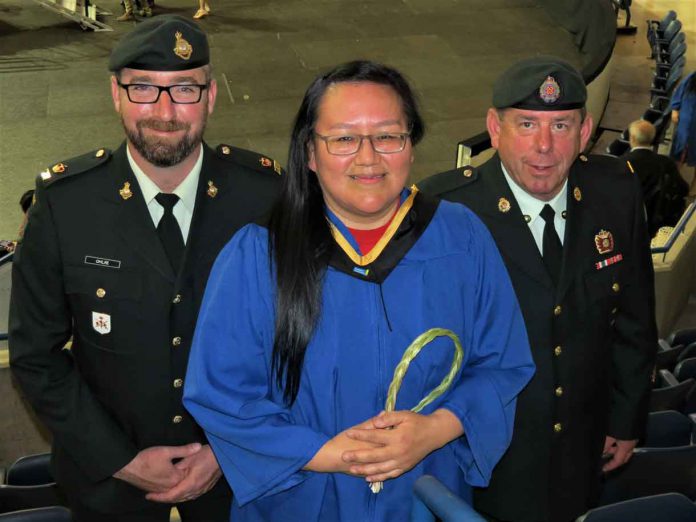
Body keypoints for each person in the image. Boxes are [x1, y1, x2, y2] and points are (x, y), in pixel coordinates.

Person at [183, 60, 535, 521]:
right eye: (344, 138)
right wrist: (333, 453)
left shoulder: (460, 238)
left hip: (423, 493)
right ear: (310, 153)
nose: (368, 157)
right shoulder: (258, 255)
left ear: (411, 146)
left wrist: (434, 430)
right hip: (302, 496)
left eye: (388, 136)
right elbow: (221, 394)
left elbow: (502, 363)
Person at [9, 15, 281, 522]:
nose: (164, 111)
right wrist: (122, 460)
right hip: (109, 489)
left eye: (183, 88)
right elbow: (34, 353)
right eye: (142, 89)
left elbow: (292, 339)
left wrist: (224, 450)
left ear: (211, 96)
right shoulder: (66, 203)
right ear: (115, 93)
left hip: (239, 484)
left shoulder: (263, 196)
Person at [420, 57, 657, 522]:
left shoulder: (616, 193)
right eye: (527, 124)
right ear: (495, 128)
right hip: (485, 455)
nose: (544, 146)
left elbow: (634, 316)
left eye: (561, 125)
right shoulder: (444, 211)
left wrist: (626, 420)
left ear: (586, 131)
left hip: (583, 447)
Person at [623, 119, 687, 236]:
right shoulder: (666, 162)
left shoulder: (622, 163)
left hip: (629, 225)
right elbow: (683, 188)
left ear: (631, 138)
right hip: (658, 226)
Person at [670, 72, 696, 196]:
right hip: (686, 125)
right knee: (678, 154)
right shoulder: (693, 77)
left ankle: (694, 188)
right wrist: (675, 109)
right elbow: (680, 91)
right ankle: (673, 182)